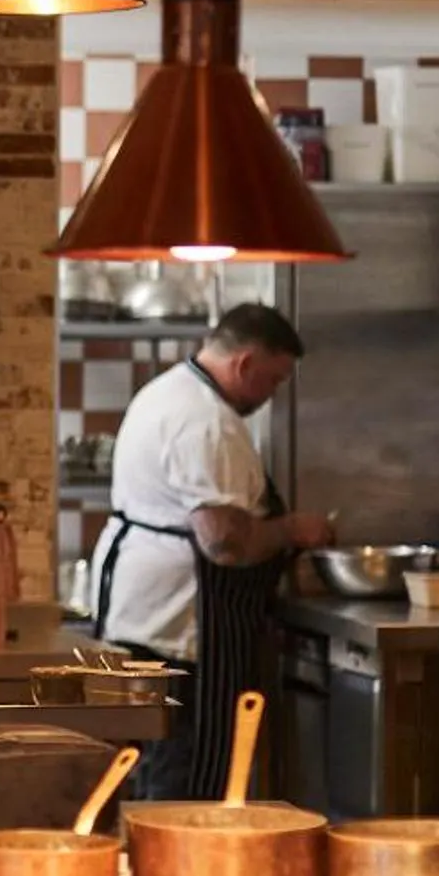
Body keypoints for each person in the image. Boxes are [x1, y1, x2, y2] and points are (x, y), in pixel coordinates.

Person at [90, 303, 333, 801]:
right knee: (183, 782)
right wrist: (290, 530)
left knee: (154, 770)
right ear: (244, 364)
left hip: (143, 619)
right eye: (273, 380)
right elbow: (224, 541)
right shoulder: (207, 422)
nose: (271, 396)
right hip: (181, 628)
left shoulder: (169, 391)